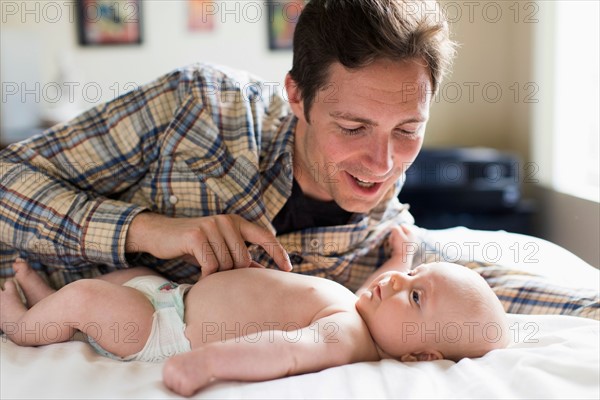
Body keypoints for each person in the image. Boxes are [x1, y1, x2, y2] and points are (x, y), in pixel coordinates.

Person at [0, 0, 596, 320]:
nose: (382, 162)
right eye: (353, 126)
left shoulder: (382, 235)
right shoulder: (197, 107)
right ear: (296, 96)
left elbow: (473, 289)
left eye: (408, 130)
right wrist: (150, 232)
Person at [0, 227, 509, 397]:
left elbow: (284, 353)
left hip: (164, 329)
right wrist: (402, 262)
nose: (399, 283)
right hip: (171, 296)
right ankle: (47, 305)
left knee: (91, 298)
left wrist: (209, 364)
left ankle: (22, 326)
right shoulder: (367, 313)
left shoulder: (346, 337)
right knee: (110, 285)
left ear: (421, 355)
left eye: (416, 295)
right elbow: (383, 288)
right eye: (413, 279)